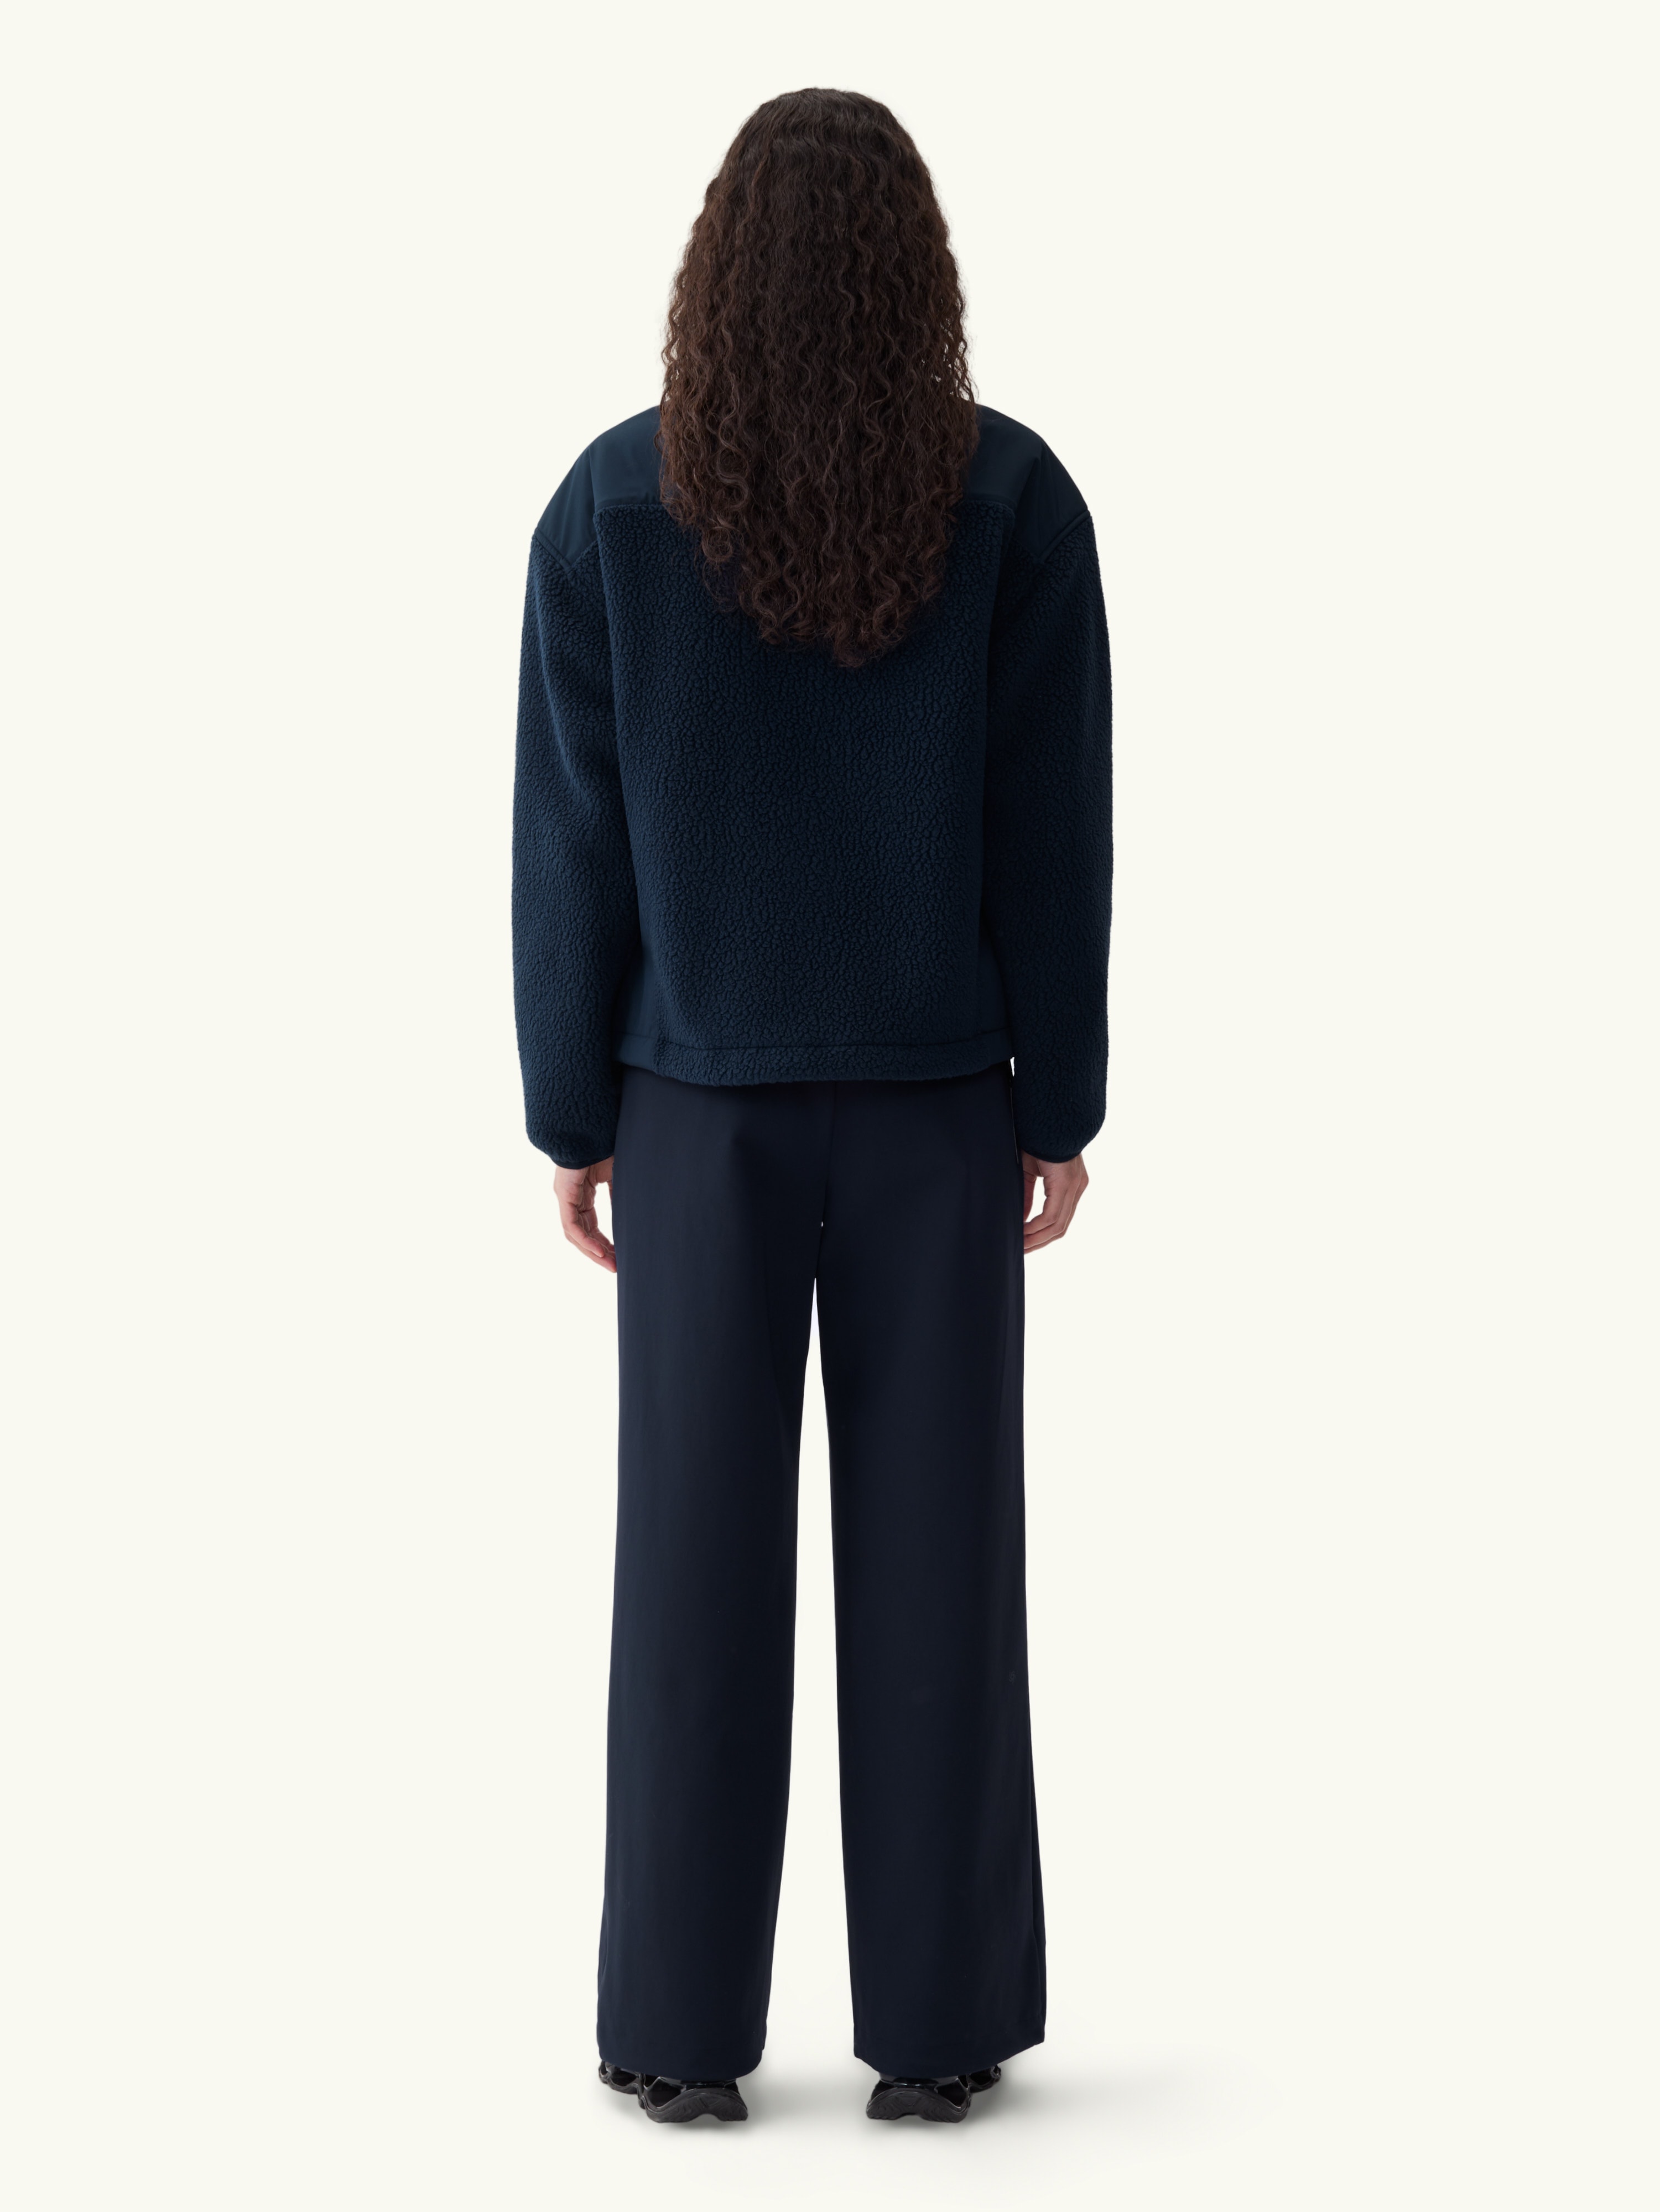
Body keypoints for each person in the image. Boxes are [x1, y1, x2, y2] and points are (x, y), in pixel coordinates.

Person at [512, 87, 1111, 2126]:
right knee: (943, 1563)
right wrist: (1062, 1099)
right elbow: (1052, 833)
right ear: (915, 273)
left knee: (688, 1566)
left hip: (696, 1112)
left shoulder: (613, 504)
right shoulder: (1010, 499)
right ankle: (938, 2035)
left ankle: (674, 2035)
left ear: (713, 271)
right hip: (940, 1107)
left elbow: (572, 840)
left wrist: (570, 1111)